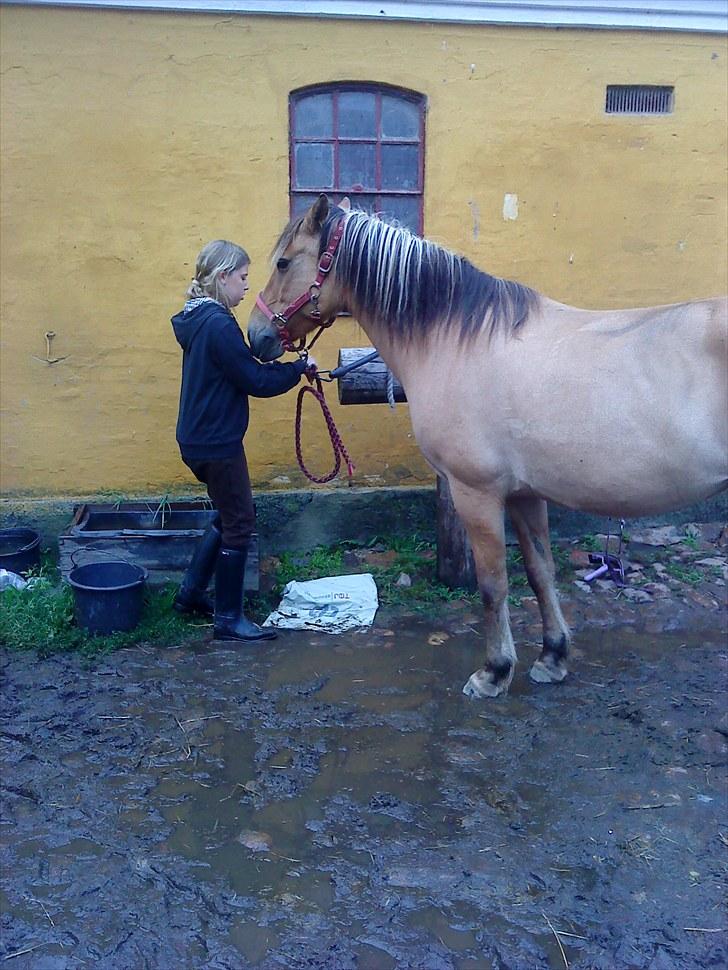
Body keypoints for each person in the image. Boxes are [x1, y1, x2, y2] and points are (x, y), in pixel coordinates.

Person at [171, 239, 311, 641]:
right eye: (244, 278)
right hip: (217, 443)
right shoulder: (218, 323)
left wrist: (280, 358)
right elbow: (253, 380)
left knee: (227, 513)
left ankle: (190, 595)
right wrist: (297, 369)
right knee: (240, 521)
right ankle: (228, 620)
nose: (248, 286)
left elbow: (240, 363)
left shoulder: (199, 319)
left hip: (198, 439)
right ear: (222, 278)